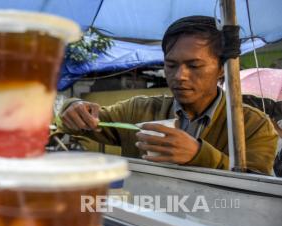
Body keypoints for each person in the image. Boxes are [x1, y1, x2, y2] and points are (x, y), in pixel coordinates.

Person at [58, 16, 278, 175]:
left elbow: (258, 187)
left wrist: (198, 155)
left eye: (194, 65)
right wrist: (73, 106)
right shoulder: (138, 111)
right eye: (171, 65)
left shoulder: (252, 125)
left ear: (222, 68)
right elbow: (80, 122)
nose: (180, 76)